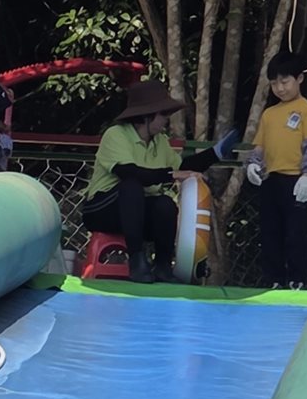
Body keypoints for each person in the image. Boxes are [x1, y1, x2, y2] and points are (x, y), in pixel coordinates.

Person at [80, 79, 238, 283]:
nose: (167, 119)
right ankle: (137, 262)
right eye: (164, 113)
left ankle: (163, 266)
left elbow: (183, 166)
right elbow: (130, 173)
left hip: (136, 214)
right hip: (103, 210)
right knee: (132, 186)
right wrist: (171, 175)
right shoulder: (116, 135)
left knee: (165, 204)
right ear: (147, 115)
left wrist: (216, 153)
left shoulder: (160, 141)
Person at [245, 54, 307, 289]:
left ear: (299, 79)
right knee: (270, 233)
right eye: (274, 83)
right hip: (271, 180)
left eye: (285, 81)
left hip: (296, 181)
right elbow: (260, 146)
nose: (280, 88)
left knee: (295, 234)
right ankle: (274, 281)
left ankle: (297, 280)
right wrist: (252, 164)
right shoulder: (269, 114)